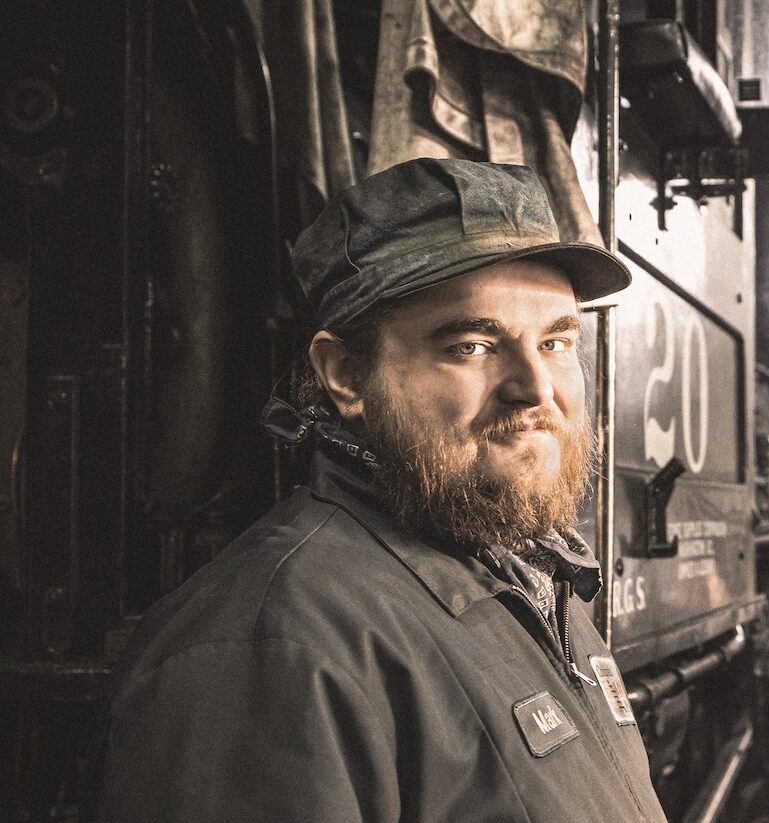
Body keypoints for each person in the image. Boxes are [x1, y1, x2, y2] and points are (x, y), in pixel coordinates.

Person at [96, 158, 668, 822]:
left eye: (555, 341)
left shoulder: (529, 581)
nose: (536, 389)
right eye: (471, 346)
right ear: (344, 375)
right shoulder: (270, 650)